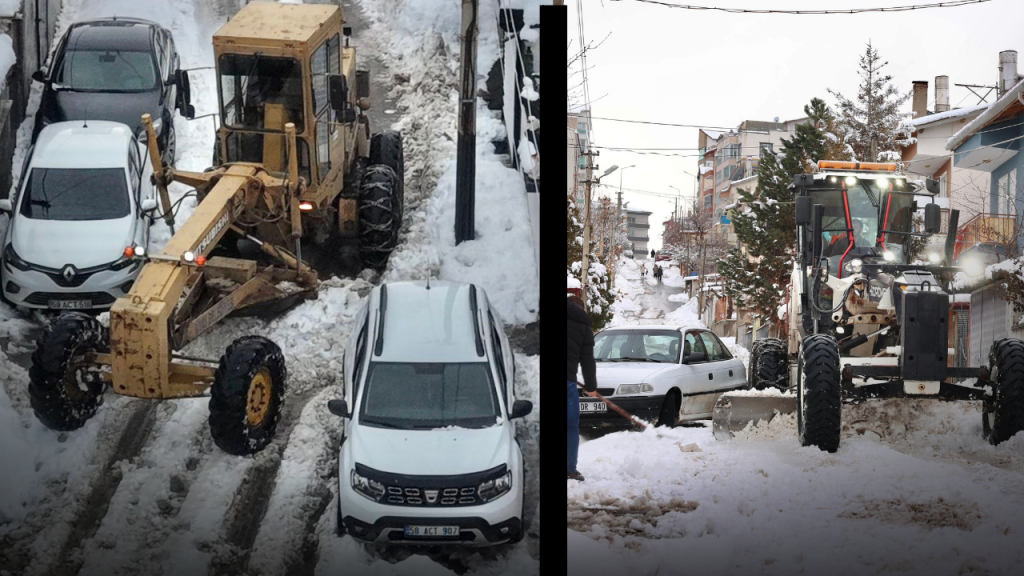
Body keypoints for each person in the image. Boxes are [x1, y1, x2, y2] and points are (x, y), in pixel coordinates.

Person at [567, 294, 597, 482]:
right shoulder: (584, 328)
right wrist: (591, 387)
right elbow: (587, 361)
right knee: (570, 427)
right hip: (568, 383)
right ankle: (570, 469)